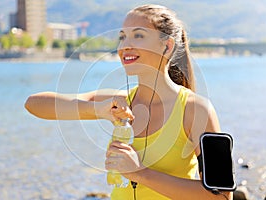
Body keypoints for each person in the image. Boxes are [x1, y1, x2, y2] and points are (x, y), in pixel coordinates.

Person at [25, 4, 232, 200]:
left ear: (167, 46)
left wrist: (140, 173)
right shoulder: (119, 103)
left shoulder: (196, 110)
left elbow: (222, 196)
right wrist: (97, 109)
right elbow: (34, 104)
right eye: (122, 37)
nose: (124, 46)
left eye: (138, 35)